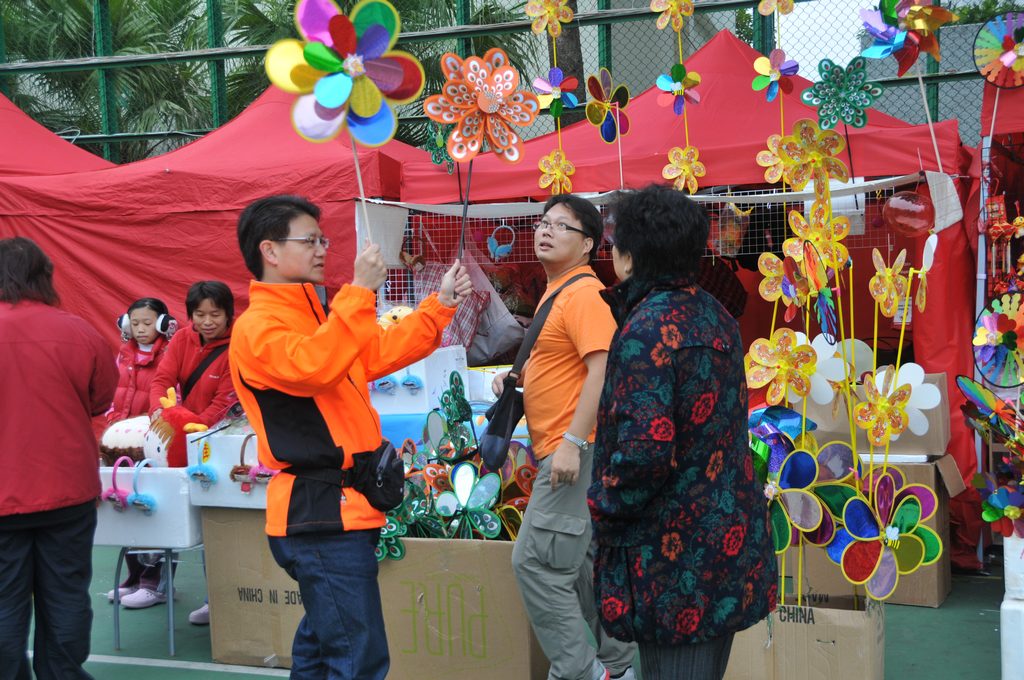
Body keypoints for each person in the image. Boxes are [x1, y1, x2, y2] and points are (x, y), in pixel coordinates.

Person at [229, 194, 472, 678]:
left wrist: (438, 307)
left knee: (326, 646)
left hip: (336, 510)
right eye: (311, 240)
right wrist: (358, 292)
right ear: (270, 251)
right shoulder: (257, 328)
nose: (323, 249)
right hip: (320, 513)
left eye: (324, 239)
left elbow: (371, 353)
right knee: (356, 658)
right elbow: (315, 367)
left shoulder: (316, 317)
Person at [588, 186, 777, 680]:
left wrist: (604, 504)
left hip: (672, 556)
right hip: (726, 537)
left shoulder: (645, 329)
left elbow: (645, 450)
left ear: (630, 256)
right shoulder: (717, 315)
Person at [495, 194, 637, 680]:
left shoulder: (583, 294)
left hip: (575, 450)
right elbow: (569, 363)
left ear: (589, 244)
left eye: (561, 225)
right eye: (543, 221)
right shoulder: (562, 290)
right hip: (571, 449)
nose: (546, 230)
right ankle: (615, 669)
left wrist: (574, 443)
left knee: (534, 564)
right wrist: (521, 376)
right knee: (582, 571)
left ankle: (582, 673)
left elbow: (603, 367)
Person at [0, 237, 119, 679]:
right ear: (44, 277)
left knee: (4, 602)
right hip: (67, 490)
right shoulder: (79, 331)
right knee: (66, 595)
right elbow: (101, 399)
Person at [116, 281, 237, 621]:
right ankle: (151, 582)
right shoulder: (183, 338)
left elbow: (225, 400)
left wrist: (191, 430)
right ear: (189, 315)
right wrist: (161, 414)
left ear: (230, 314)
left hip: (217, 440)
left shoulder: (238, 346)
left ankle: (221, 599)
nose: (208, 321)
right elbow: (162, 380)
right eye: (200, 314)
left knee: (216, 520)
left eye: (216, 314)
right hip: (178, 439)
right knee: (167, 509)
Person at [106, 297, 176, 424]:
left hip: (153, 427)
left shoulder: (170, 355)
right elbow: (112, 386)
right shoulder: (123, 354)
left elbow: (176, 396)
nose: (140, 329)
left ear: (163, 324)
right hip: (118, 425)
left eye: (147, 323)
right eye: (135, 324)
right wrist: (111, 414)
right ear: (126, 325)